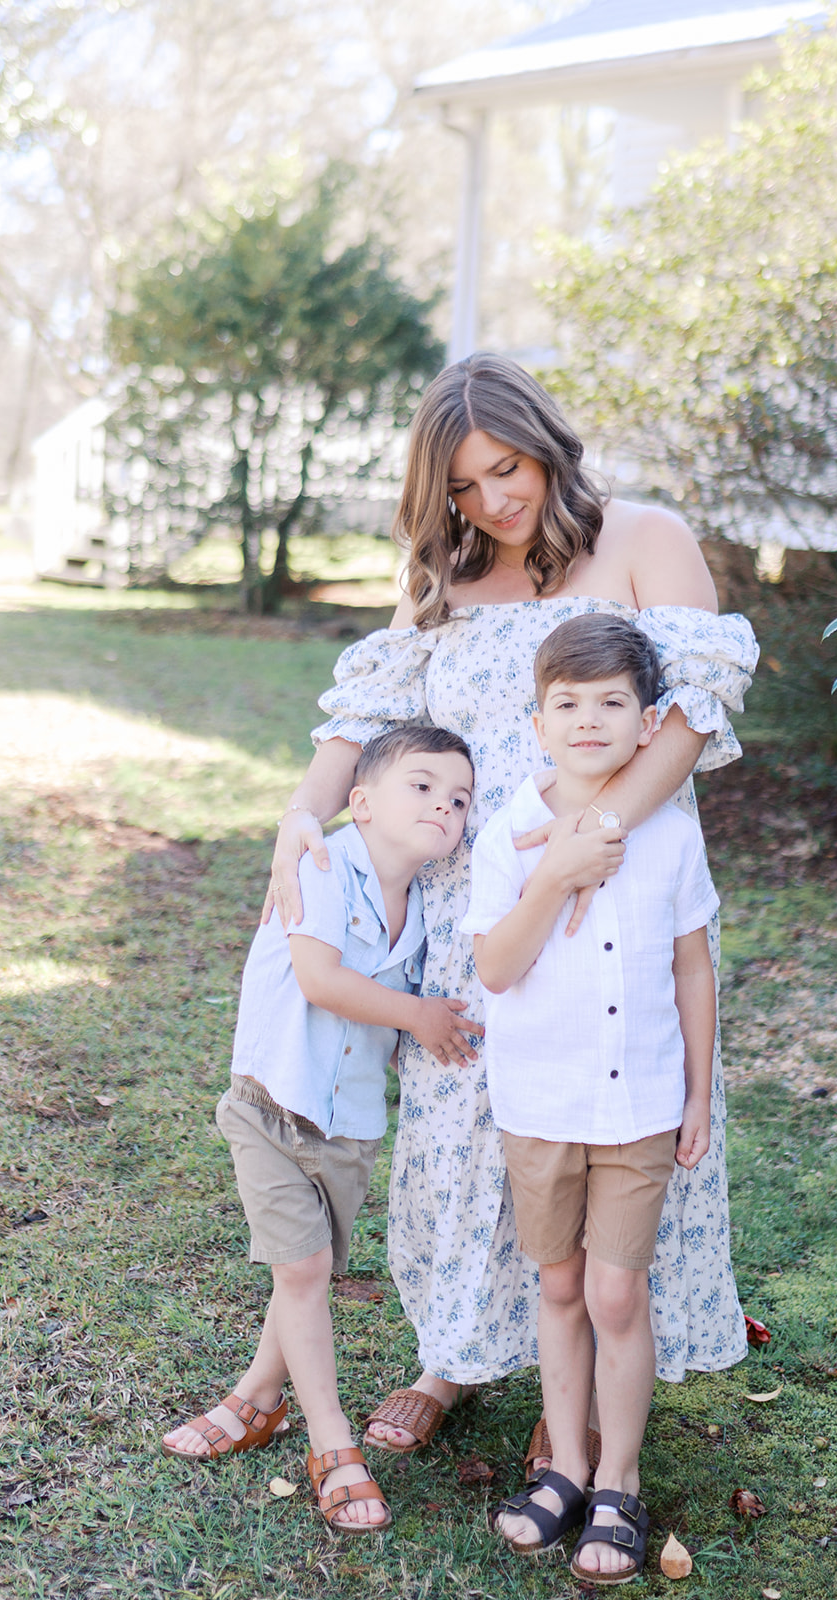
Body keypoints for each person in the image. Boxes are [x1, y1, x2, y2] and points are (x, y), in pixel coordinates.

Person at [267, 352, 757, 1469]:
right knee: (472, 1134)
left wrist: (597, 842)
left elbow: (690, 712)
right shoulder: (443, 576)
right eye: (465, 487)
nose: (494, 501)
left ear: (547, 443)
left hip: (620, 895)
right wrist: (302, 813)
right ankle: (455, 1353)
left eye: (508, 469)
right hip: (474, 911)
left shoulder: (644, 540)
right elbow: (370, 716)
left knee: (603, 1124)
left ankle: (572, 1393)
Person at [162, 728, 478, 1535]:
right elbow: (319, 977)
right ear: (361, 801)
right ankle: (333, 1447)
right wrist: (419, 1015)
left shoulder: (430, 911)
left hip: (349, 1127)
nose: (443, 804)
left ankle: (254, 1400)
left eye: (459, 797)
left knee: (304, 1273)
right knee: (302, 1271)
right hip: (272, 1104)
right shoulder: (326, 862)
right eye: (422, 786)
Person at [467, 614, 718, 1582]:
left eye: (612, 702)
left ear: (649, 723)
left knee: (616, 1288)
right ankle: (564, 1464)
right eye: (566, 703)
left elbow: (693, 968)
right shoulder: (509, 833)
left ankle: (618, 1474)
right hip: (539, 1103)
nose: (587, 719)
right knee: (560, 1283)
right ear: (537, 721)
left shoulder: (672, 833)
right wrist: (555, 874)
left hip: (643, 1102)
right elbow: (494, 964)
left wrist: (697, 1094)